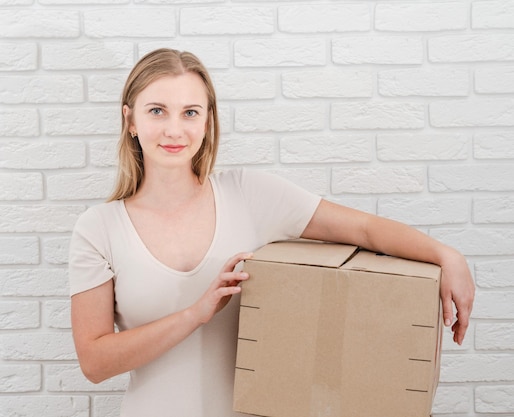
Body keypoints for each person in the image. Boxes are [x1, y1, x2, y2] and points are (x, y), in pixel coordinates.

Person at [68, 48, 475, 417]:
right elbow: (95, 361)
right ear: (130, 120)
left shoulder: (250, 195)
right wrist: (196, 313)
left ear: (208, 122)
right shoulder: (99, 228)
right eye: (157, 111)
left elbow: (363, 228)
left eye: (190, 112)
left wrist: (446, 255)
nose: (175, 129)